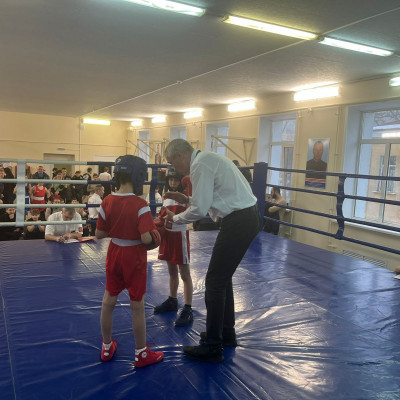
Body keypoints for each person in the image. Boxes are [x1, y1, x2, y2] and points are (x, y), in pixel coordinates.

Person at [163, 139, 260, 363]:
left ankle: (213, 346)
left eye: (171, 162)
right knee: (222, 279)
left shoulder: (199, 165)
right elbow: (208, 199)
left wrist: (175, 219)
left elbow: (200, 210)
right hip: (245, 217)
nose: (173, 168)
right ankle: (226, 334)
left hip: (239, 220)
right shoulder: (207, 159)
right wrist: (187, 199)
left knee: (214, 282)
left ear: (180, 156)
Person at [95, 155, 163, 367]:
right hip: (134, 256)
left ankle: (107, 346)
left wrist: (119, 228)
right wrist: (155, 232)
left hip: (114, 252)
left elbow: (99, 234)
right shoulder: (141, 204)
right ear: (138, 176)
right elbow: (146, 238)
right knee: (137, 304)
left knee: (108, 300)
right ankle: (141, 353)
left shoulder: (106, 200)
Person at [153, 167, 193, 327]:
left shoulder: (187, 197)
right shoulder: (166, 196)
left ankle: (188, 308)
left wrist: (174, 217)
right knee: (171, 271)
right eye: (170, 179)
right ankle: (172, 300)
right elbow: (163, 216)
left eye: (176, 179)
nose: (173, 182)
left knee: (185, 273)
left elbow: (191, 216)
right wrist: (156, 223)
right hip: (168, 235)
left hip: (180, 235)